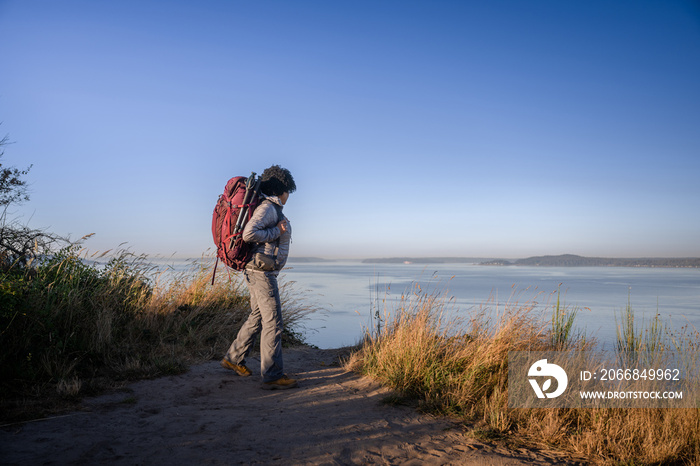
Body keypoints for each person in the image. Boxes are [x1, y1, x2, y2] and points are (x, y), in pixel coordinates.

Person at [221, 165, 298, 390]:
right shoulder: (268, 208)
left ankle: (232, 358)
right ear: (282, 188)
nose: (288, 196)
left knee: (257, 317)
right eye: (288, 191)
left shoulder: (271, 208)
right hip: (262, 273)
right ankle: (273, 375)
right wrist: (278, 232)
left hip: (257, 271)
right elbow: (249, 234)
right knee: (273, 321)